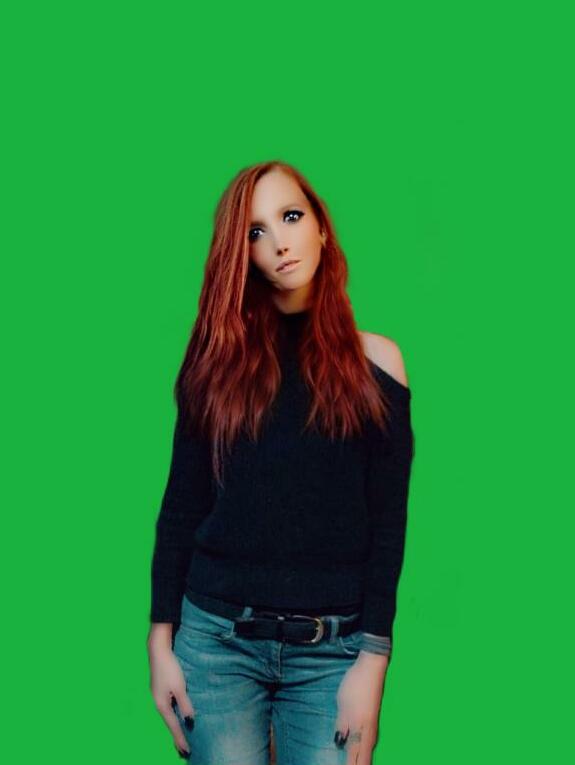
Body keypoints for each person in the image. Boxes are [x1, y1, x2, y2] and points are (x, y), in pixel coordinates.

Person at [147, 160, 415, 765]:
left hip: (333, 652)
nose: (279, 243)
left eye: (290, 216)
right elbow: (181, 507)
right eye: (255, 231)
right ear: (241, 254)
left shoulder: (379, 365)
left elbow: (387, 527)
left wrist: (372, 665)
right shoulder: (215, 360)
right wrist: (160, 644)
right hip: (216, 646)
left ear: (321, 226)